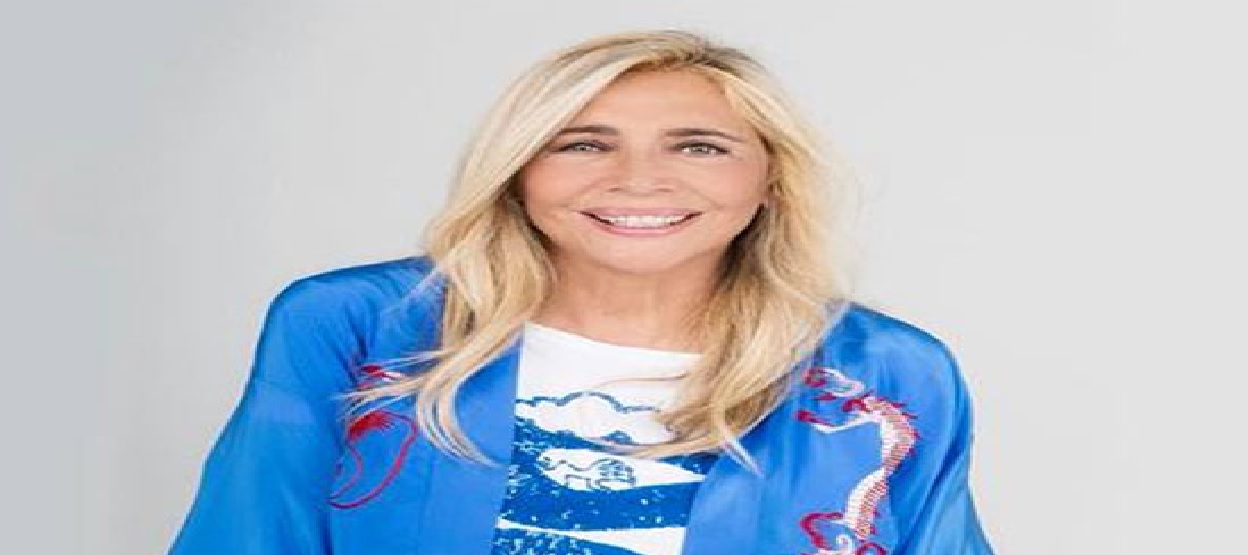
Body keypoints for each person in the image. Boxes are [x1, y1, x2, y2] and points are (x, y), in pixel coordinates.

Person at [167, 29, 995, 555]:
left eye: (699, 147)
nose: (638, 179)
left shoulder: (887, 373)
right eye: (583, 144)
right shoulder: (359, 326)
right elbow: (248, 533)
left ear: (769, 180)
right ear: (519, 171)